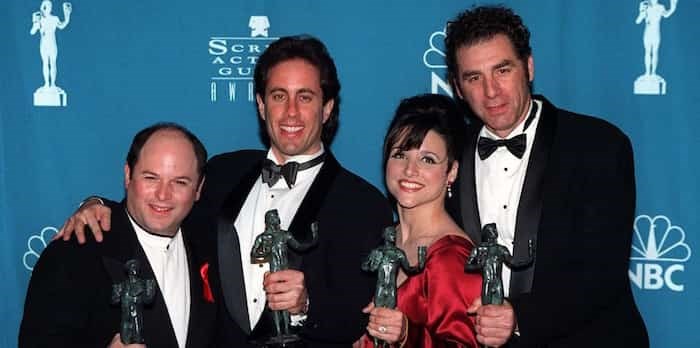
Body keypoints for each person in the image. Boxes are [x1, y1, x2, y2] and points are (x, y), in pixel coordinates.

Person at [56, 35, 393, 347]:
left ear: (328, 107)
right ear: (261, 105)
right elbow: (162, 206)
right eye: (279, 96)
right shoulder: (223, 173)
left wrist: (306, 306)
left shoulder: (363, 205)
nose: (291, 112)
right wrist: (99, 205)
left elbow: (358, 317)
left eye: (305, 97)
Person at [444, 5, 649, 347]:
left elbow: (602, 273)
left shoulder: (599, 145)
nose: (491, 91)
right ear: (457, 87)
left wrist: (519, 317)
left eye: (502, 70)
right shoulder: (447, 156)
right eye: (474, 77)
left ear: (528, 66)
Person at [19, 123, 216, 348]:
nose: (163, 194)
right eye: (151, 178)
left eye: (180, 182)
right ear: (128, 175)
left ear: (199, 188)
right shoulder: (73, 254)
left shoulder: (208, 243)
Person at [357, 94, 481, 347]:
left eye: (427, 159)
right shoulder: (379, 239)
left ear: (452, 171)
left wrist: (407, 335)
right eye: (400, 155)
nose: (410, 170)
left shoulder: (452, 257)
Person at [30, 0, 71, 89]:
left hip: (52, 44)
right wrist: (35, 23)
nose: (47, 8)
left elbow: (62, 25)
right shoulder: (40, 19)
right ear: (42, 7)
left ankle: (52, 84)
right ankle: (47, 84)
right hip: (44, 45)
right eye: (45, 6)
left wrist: (67, 17)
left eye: (49, 6)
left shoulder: (54, 19)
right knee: (45, 63)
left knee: (53, 63)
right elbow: (32, 32)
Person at [635, 0, 678, 76]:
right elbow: (638, 21)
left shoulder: (660, 7)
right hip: (648, 33)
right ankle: (647, 72)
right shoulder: (646, 6)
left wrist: (673, 7)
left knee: (655, 52)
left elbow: (666, 15)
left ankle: (653, 72)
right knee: (647, 52)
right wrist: (642, 12)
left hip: (656, 33)